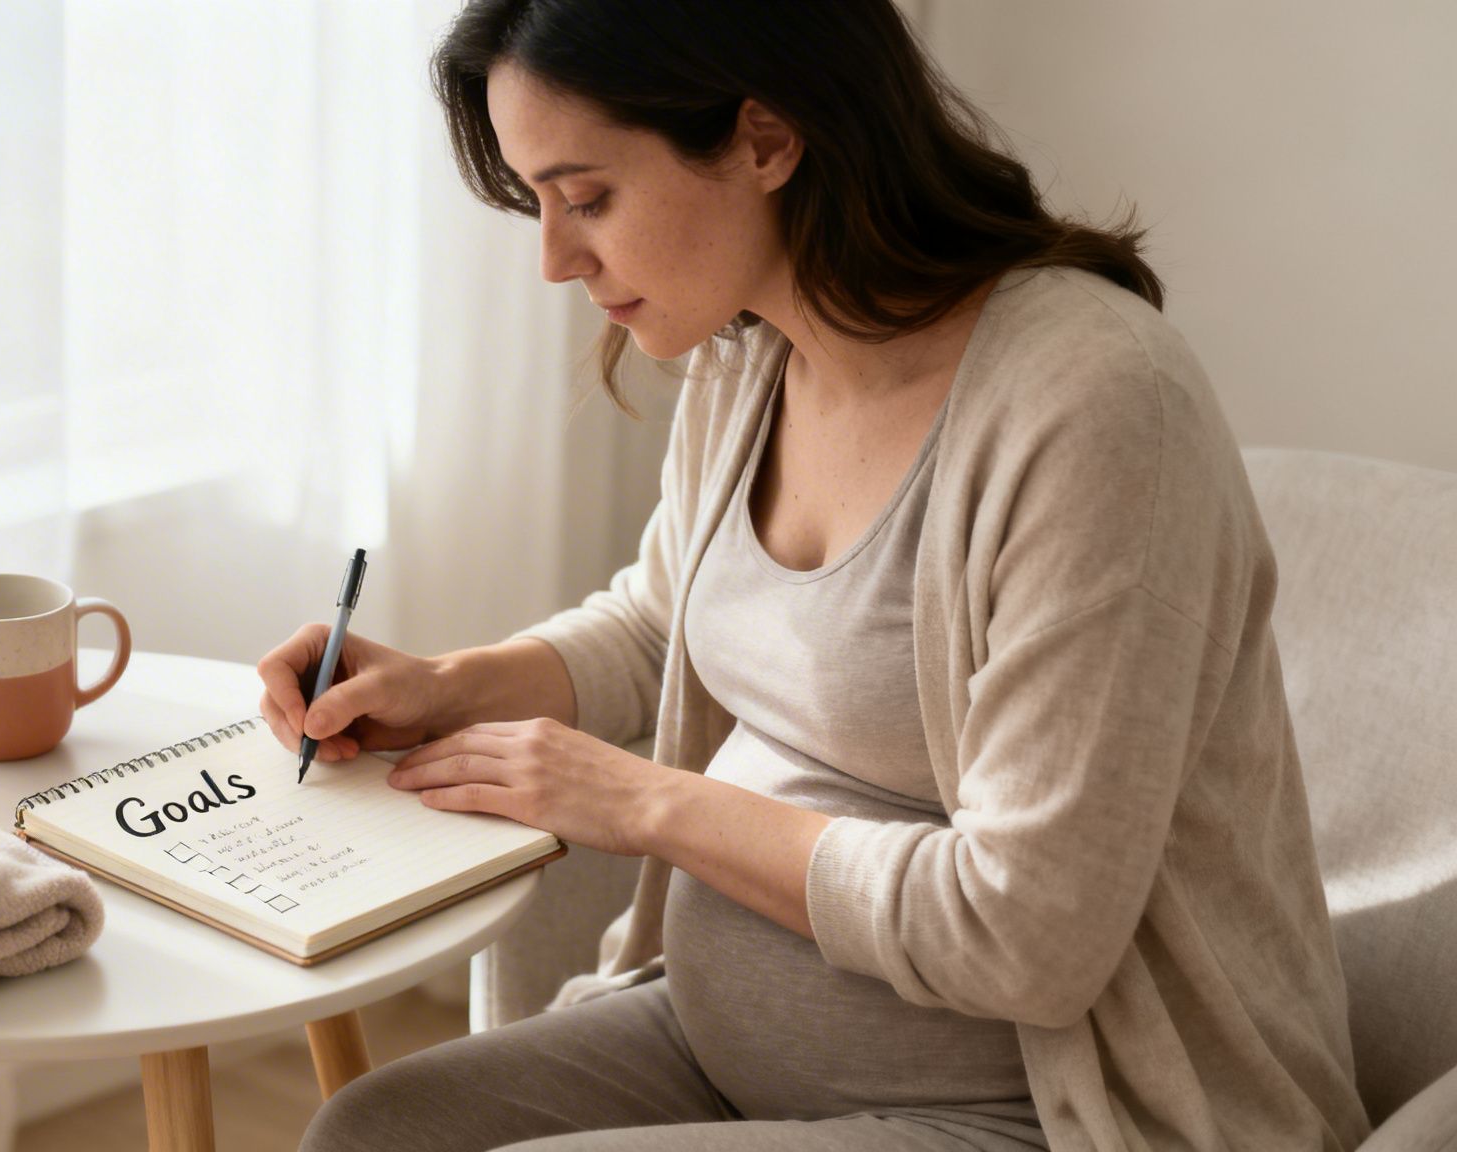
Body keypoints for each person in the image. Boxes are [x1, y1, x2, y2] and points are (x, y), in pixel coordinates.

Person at [258, 2, 1369, 1150]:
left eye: (586, 199)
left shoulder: (1095, 411)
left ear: (764, 140)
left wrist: (645, 803)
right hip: (714, 1040)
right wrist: (447, 683)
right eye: (535, 203)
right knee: (368, 1131)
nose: (552, 261)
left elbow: (1024, 936)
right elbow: (662, 626)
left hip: (1043, 1111)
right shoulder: (748, 354)